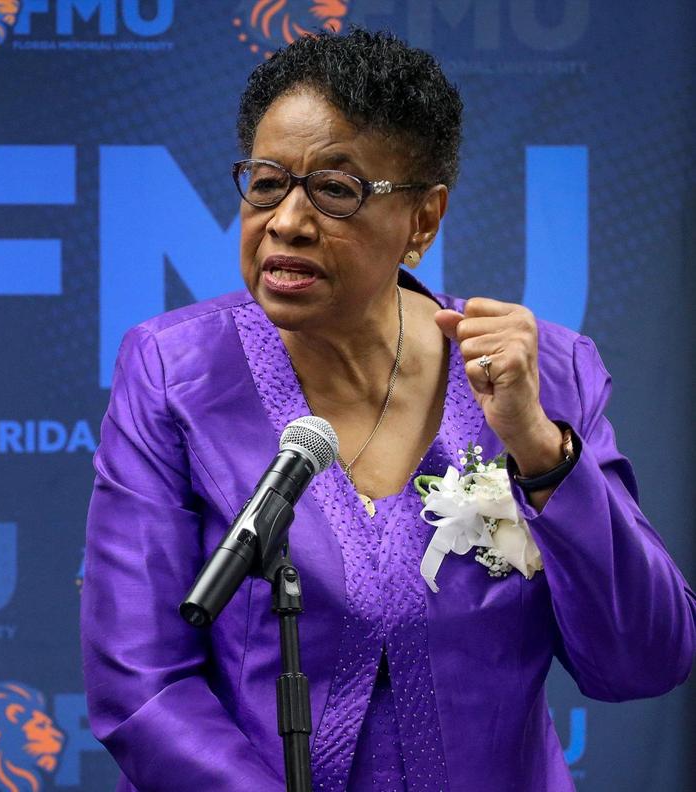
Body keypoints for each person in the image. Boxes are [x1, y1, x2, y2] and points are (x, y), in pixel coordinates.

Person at [80, 28, 696, 792]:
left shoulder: (544, 376)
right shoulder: (176, 374)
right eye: (267, 182)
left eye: (336, 190)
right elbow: (142, 687)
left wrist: (538, 448)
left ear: (423, 220)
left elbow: (644, 659)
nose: (288, 221)